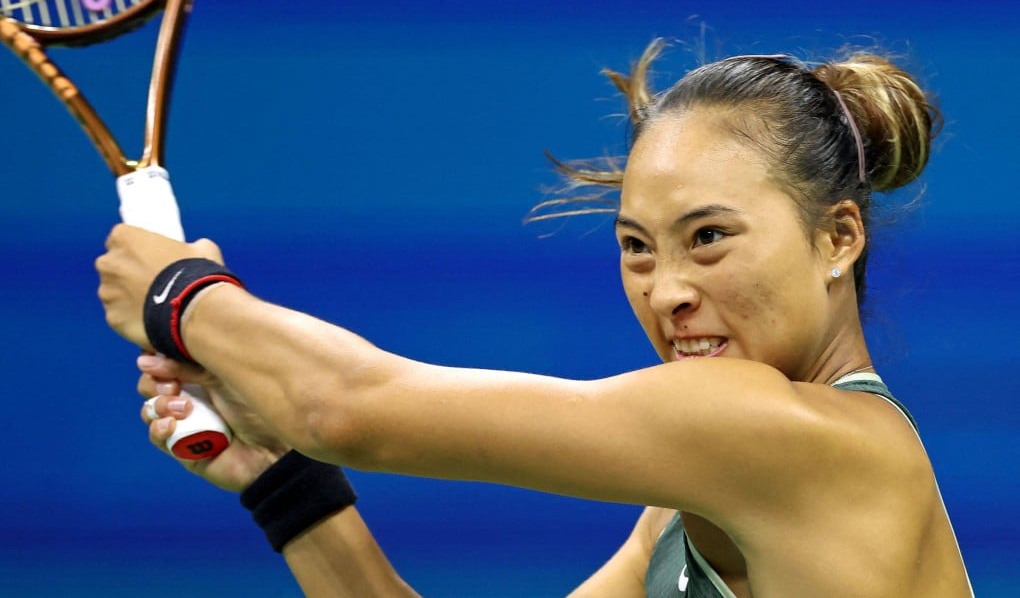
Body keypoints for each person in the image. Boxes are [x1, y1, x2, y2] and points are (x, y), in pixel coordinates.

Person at [97, 39, 974, 597]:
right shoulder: (686, 510)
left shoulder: (792, 438)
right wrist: (282, 480)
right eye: (637, 247)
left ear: (837, 238)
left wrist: (177, 296)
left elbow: (348, 404)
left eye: (708, 238)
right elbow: (324, 420)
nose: (666, 289)